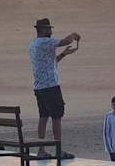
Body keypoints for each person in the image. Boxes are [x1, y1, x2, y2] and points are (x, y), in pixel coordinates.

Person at [29, 18, 79, 159]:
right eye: (48, 28)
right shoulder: (45, 42)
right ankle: (58, 150)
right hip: (50, 86)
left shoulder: (33, 44)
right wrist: (74, 35)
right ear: (43, 30)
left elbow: (50, 63)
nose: (50, 31)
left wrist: (63, 54)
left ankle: (41, 150)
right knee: (57, 117)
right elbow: (65, 41)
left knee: (43, 117)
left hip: (39, 87)